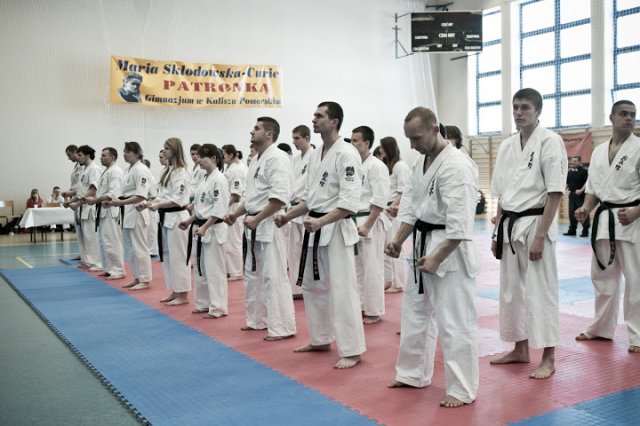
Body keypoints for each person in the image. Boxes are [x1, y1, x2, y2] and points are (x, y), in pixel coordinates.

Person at [385, 107, 480, 408]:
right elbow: (411, 206)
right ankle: (412, 373)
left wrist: (438, 256)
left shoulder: (457, 166)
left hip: (449, 249)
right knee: (415, 313)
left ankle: (462, 389)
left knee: (455, 321)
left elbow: (461, 222)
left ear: (435, 129)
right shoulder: (420, 161)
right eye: (408, 139)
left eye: (417, 138)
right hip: (423, 243)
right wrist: (398, 239)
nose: (412, 145)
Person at [276, 101, 366, 369]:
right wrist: (287, 216)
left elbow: (349, 202)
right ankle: (320, 338)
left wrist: (321, 222)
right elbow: (311, 200)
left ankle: (352, 349)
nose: (313, 119)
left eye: (319, 116)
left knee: (342, 289)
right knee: (313, 287)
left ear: (334, 121)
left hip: (336, 229)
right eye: (314, 115)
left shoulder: (346, 154)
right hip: (315, 227)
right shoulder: (316, 155)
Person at [489, 88, 567, 379]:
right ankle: (520, 348)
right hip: (509, 225)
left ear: (538, 111)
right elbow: (502, 194)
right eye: (515, 107)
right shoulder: (507, 146)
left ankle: (548, 357)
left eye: (525, 107)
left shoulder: (550, 141)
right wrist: (496, 233)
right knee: (511, 292)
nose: (519, 112)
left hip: (536, 223)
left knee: (541, 291)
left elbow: (555, 193)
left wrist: (540, 236)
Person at [574, 100, 640, 354]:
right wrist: (585, 208)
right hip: (605, 219)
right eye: (623, 114)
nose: (629, 118)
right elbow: (593, 189)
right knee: (603, 277)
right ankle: (601, 328)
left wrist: (635, 212)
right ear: (611, 117)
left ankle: (637, 334)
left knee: (636, 279)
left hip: (631, 219)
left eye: (633, 114)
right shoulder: (599, 151)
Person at [224, 117, 296, 341]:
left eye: (256, 128)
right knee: (252, 275)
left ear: (269, 134)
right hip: (253, 222)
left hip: (269, 222)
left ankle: (282, 327)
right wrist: (235, 214)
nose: (251, 132)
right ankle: (257, 320)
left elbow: (279, 198)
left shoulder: (278, 158)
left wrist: (258, 219)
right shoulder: (256, 160)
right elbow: (251, 197)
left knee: (274, 276)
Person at [179, 144, 229, 318]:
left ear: (213, 158)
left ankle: (218, 307)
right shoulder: (205, 178)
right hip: (201, 226)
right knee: (201, 268)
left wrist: (205, 227)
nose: (198, 160)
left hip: (213, 228)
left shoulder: (219, 179)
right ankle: (203, 303)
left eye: (202, 157)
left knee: (214, 270)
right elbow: (201, 207)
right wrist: (189, 220)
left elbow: (219, 208)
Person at [348, 126, 390, 324]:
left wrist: (368, 225)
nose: (352, 144)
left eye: (356, 140)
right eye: (351, 140)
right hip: (354, 220)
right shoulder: (354, 165)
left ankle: (374, 310)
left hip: (370, 220)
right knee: (357, 268)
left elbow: (380, 199)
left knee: (372, 267)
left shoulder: (377, 166)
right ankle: (361, 306)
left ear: (367, 143)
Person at [145, 138, 192, 305]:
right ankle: (174, 290)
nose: (164, 151)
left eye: (167, 148)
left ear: (175, 150)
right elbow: (163, 195)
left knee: (179, 257)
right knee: (167, 256)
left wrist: (158, 205)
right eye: (164, 148)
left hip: (177, 217)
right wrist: (149, 202)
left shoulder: (181, 172)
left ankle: (183, 295)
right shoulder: (167, 170)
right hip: (165, 218)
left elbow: (178, 199)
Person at [104, 142, 153, 291]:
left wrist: (119, 203)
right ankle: (137, 277)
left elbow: (141, 195)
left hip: (138, 210)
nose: (124, 154)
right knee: (130, 248)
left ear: (137, 153)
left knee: (140, 247)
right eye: (124, 151)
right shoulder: (128, 170)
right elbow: (123, 193)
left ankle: (145, 279)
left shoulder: (141, 170)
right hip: (127, 211)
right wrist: (114, 202)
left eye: (128, 152)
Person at [83, 148, 125, 280]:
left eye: (104, 155)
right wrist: (94, 199)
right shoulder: (106, 172)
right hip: (103, 209)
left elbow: (113, 193)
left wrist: (95, 200)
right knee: (103, 241)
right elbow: (102, 192)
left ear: (112, 157)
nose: (101, 157)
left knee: (112, 241)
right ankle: (108, 268)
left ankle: (118, 270)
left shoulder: (116, 172)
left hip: (111, 210)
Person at [287, 125, 315, 300]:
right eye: (293, 138)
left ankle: (309, 285)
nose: (294, 142)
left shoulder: (315, 156)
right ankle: (297, 288)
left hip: (307, 207)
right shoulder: (295, 160)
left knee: (307, 249)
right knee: (294, 250)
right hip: (293, 207)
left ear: (307, 138)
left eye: (297, 138)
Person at [379, 136, 411, 293]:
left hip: (395, 212)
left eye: (382, 148)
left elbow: (402, 191)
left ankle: (399, 283)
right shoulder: (390, 166)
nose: (381, 151)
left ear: (388, 148)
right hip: (386, 211)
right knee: (387, 246)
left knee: (396, 245)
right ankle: (390, 279)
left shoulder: (400, 166)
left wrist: (392, 207)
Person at [65, 145, 103, 271]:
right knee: (83, 236)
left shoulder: (94, 169)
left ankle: (97, 263)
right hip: (82, 206)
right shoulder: (84, 170)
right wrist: (71, 201)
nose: (78, 157)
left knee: (91, 236)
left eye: (80, 155)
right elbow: (80, 191)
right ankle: (86, 260)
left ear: (87, 156)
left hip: (90, 206)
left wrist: (77, 203)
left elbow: (93, 190)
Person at [221, 144, 248, 281]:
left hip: (234, 206)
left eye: (224, 155)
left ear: (231, 155)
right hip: (230, 205)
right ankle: (230, 269)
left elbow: (236, 193)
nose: (222, 158)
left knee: (234, 240)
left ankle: (236, 271)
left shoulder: (236, 170)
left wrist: (223, 206)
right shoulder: (230, 169)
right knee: (229, 240)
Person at [565, 155, 590, 237]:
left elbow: (587, 182)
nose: (573, 162)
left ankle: (585, 231)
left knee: (582, 212)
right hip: (572, 195)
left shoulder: (584, 171)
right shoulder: (570, 172)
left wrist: (581, 190)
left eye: (575, 161)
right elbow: (567, 183)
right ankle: (572, 230)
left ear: (579, 162)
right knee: (571, 213)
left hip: (581, 195)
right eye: (572, 161)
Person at [143, 158, 159, 258]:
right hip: (144, 206)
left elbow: (154, 196)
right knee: (146, 229)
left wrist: (147, 202)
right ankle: (147, 249)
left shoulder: (151, 179)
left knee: (152, 229)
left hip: (151, 206)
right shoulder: (144, 178)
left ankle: (153, 250)